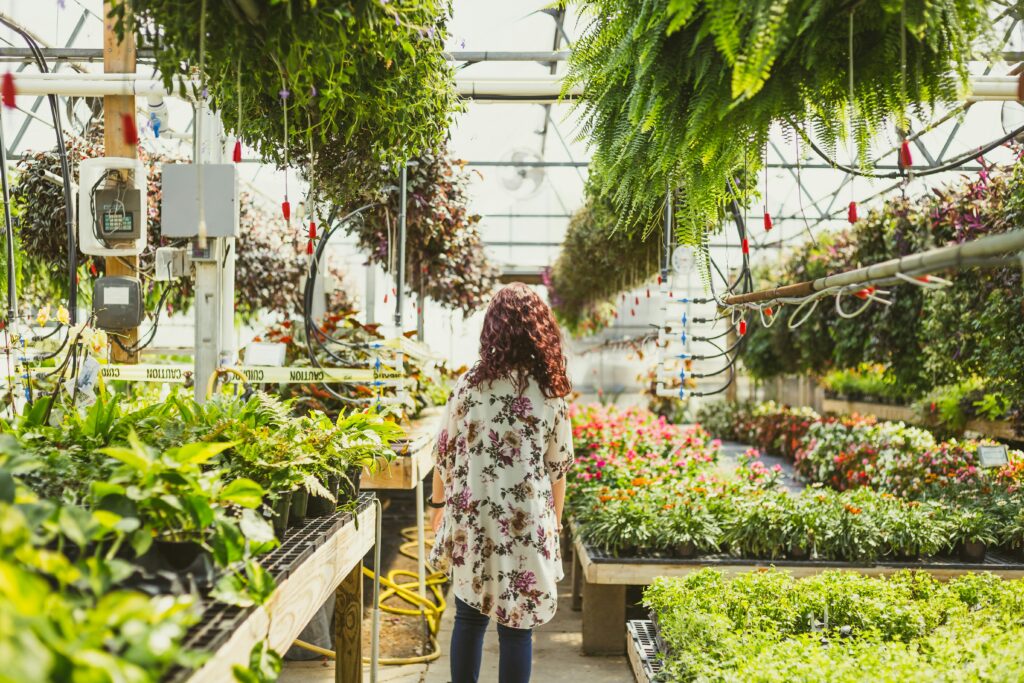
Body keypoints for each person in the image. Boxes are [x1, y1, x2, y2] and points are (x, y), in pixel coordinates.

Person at [429, 283, 574, 683]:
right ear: (539, 329)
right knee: (517, 628)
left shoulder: (470, 383)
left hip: (474, 518)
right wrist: (555, 524)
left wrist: (438, 509)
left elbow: (443, 451)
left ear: (492, 327)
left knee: (469, 619)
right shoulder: (551, 389)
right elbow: (558, 467)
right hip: (527, 522)